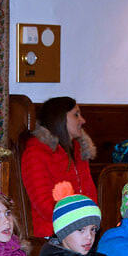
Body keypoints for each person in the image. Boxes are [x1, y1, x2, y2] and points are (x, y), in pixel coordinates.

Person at [20, 97, 97, 237]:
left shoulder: (79, 150)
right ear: (60, 119)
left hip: (82, 230)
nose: (82, 120)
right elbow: (44, 205)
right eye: (76, 115)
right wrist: (77, 223)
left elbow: (90, 194)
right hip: (52, 233)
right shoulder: (36, 153)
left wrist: (90, 221)